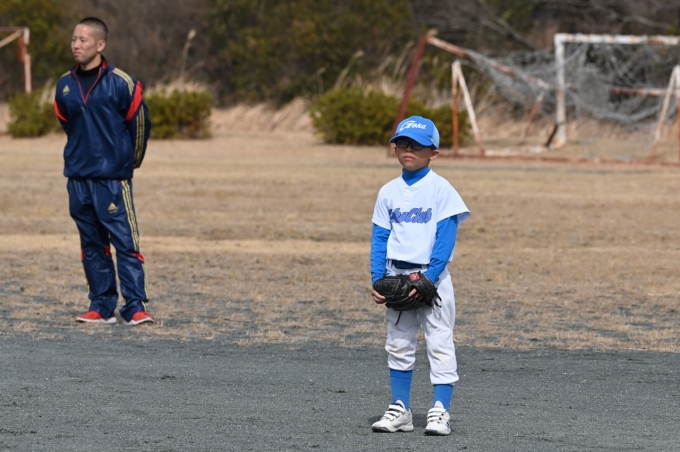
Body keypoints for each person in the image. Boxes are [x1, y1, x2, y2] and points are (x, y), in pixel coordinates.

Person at [370, 116, 470, 435]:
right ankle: (400, 408)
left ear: (434, 153)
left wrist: (430, 277)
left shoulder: (441, 189)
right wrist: (377, 278)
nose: (408, 149)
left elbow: (446, 237)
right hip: (396, 276)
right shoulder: (388, 192)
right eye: (402, 142)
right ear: (394, 148)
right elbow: (380, 237)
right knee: (398, 344)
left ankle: (440, 410)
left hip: (432, 280)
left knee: (439, 343)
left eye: (418, 144)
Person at [54, 17, 153, 325]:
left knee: (126, 243)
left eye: (82, 40)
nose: (76, 45)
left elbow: (140, 126)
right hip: (78, 178)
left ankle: (135, 306)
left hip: (113, 179)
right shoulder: (64, 85)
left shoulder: (122, 82)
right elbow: (67, 123)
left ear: (100, 45)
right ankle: (101, 305)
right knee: (92, 245)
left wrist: (127, 164)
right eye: (73, 39)